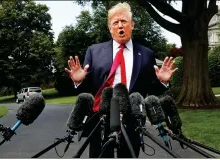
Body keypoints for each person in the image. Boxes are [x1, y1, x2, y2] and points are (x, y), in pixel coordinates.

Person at [65, 2, 178, 158]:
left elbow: (151, 90)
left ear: (132, 25)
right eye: (115, 22)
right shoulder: (94, 51)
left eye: (124, 21)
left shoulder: (146, 54)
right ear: (109, 28)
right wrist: (78, 81)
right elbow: (89, 88)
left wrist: (162, 82)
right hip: (100, 118)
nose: (120, 26)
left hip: (132, 120)